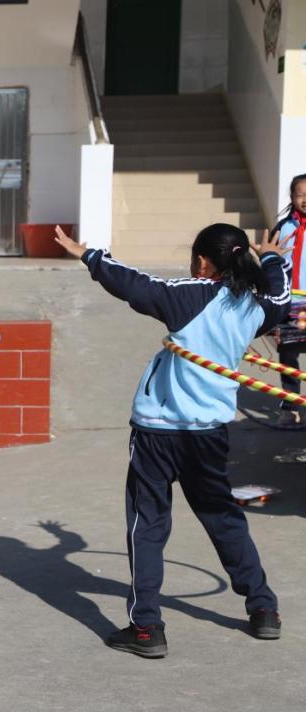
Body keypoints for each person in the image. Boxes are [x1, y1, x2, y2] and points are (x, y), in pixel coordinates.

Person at [53, 223, 289, 658]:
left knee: (148, 524)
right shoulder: (255, 305)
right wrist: (272, 258)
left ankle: (146, 628)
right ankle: (263, 609)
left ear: (202, 261)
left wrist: (90, 256)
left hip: (157, 432)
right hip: (209, 432)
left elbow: (137, 285)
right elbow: (281, 299)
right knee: (223, 518)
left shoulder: (190, 295)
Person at [272, 173, 306, 425]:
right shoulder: (283, 228)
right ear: (292, 197)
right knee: (288, 354)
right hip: (291, 302)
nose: (305, 199)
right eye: (300, 194)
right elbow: (272, 263)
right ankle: (291, 406)